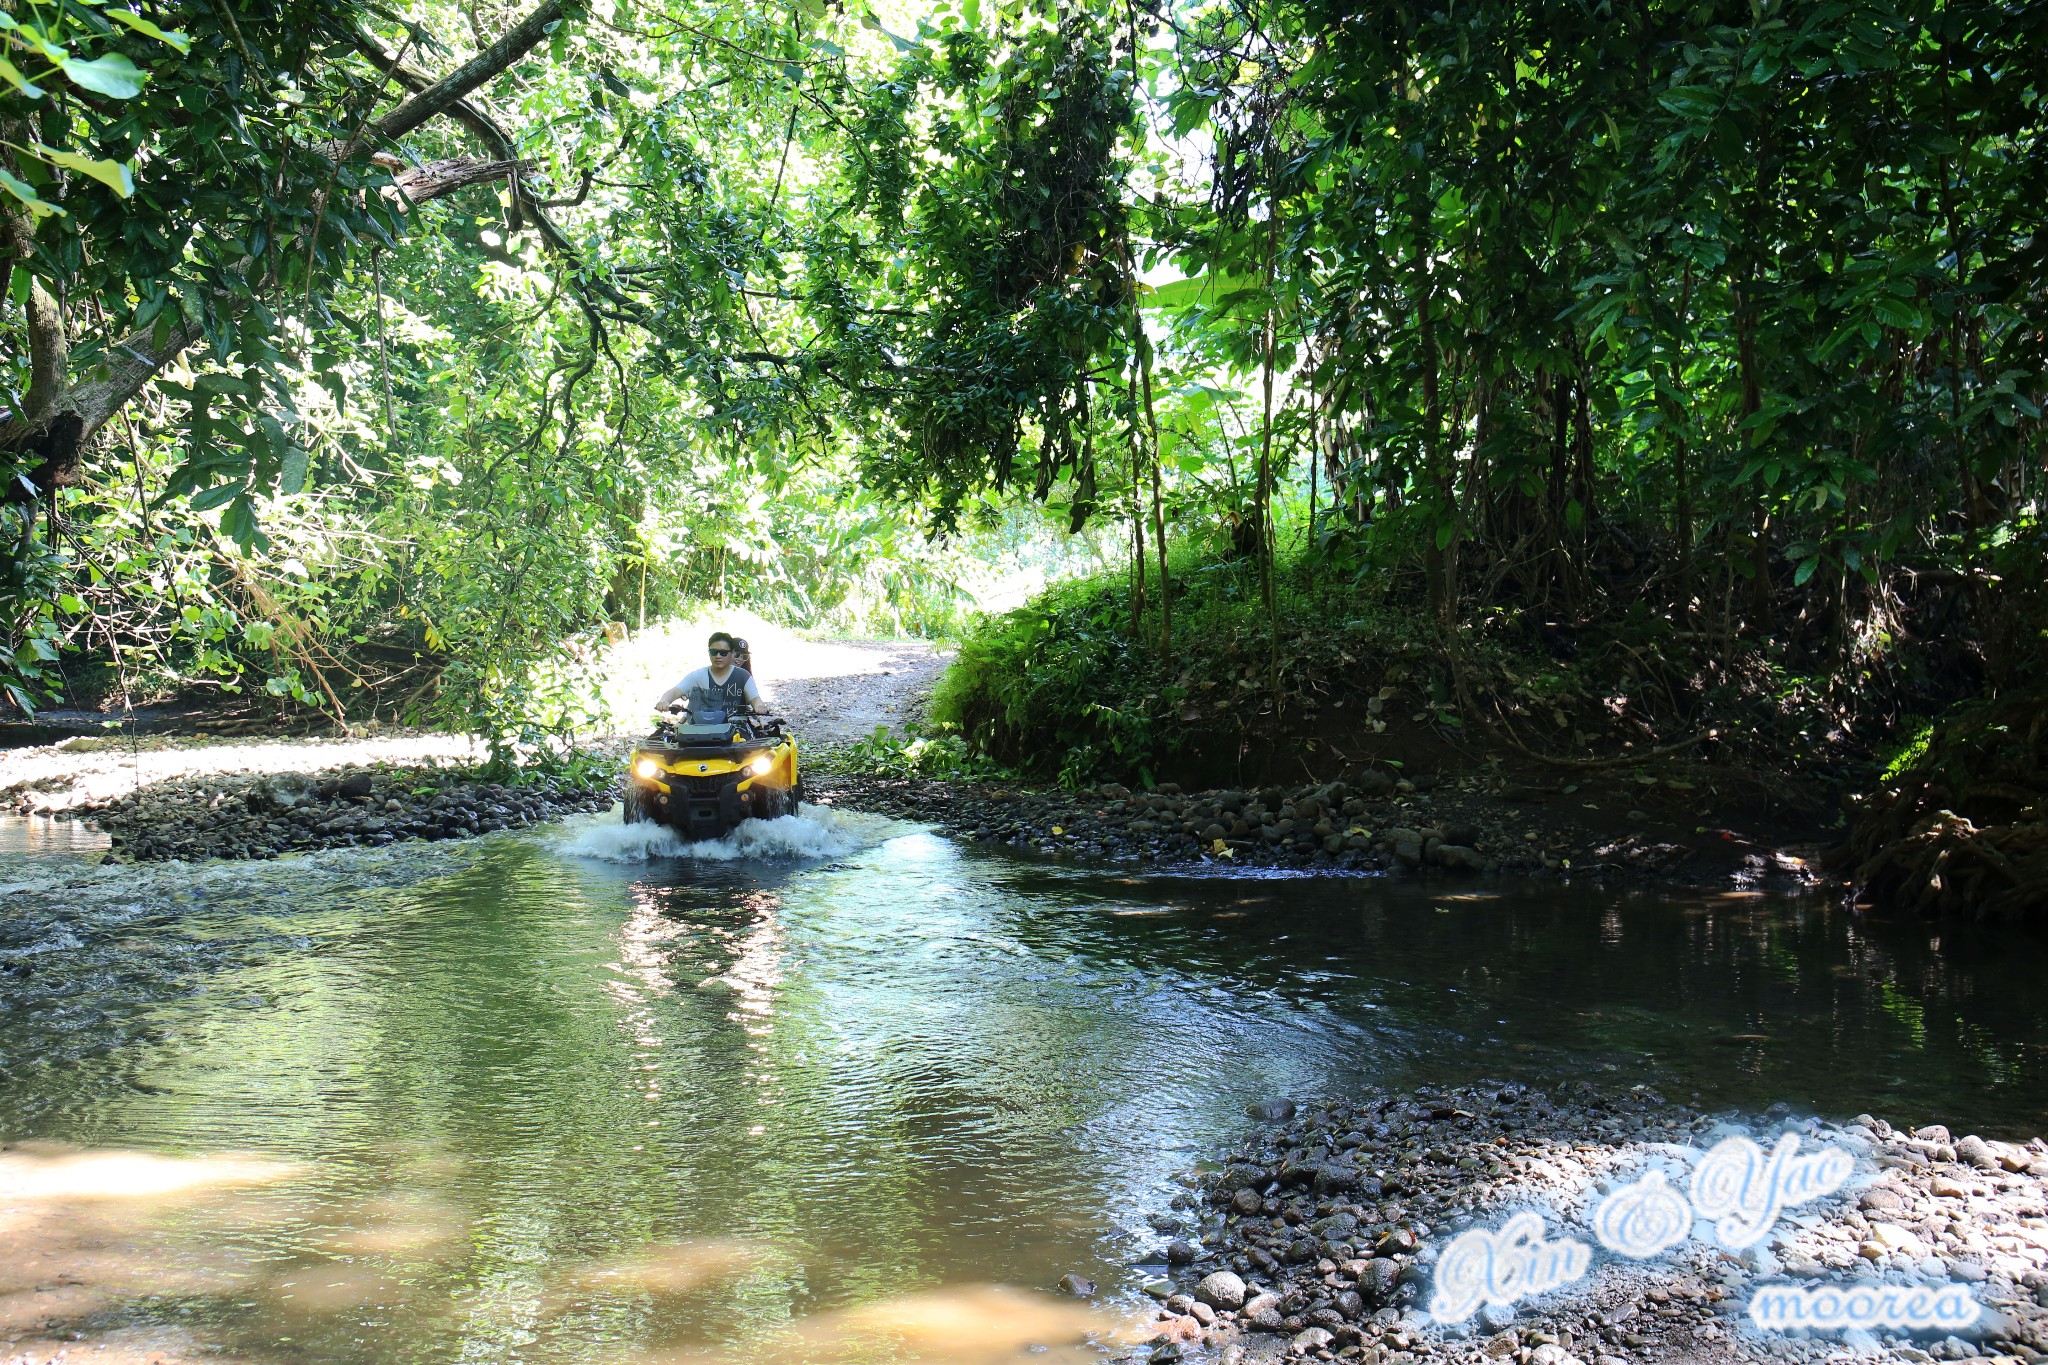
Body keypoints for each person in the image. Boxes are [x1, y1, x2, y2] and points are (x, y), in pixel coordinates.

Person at [655, 631, 761, 721]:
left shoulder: (744, 676)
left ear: (731, 653)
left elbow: (755, 698)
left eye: (723, 653)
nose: (718, 656)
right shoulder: (698, 676)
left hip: (737, 732)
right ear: (709, 652)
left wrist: (759, 706)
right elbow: (675, 691)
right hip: (700, 732)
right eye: (714, 652)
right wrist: (664, 701)